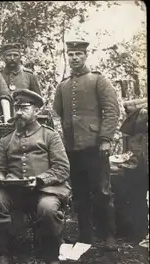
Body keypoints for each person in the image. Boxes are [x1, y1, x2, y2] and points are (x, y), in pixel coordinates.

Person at [0, 89, 71, 264]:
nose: (19, 112)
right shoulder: (6, 140)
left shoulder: (50, 136)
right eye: (17, 108)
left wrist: (40, 179)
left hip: (46, 190)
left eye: (25, 107)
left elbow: (62, 169)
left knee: (48, 209)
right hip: (16, 191)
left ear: (36, 111)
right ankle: (2, 255)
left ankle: (52, 259)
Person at [53, 40, 120, 250]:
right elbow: (55, 114)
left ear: (85, 56)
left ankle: (109, 235)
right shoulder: (63, 85)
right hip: (72, 148)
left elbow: (111, 111)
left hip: (95, 146)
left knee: (102, 191)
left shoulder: (98, 80)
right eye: (71, 54)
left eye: (78, 54)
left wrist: (105, 139)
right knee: (80, 194)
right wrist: (59, 137)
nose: (74, 58)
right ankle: (85, 235)